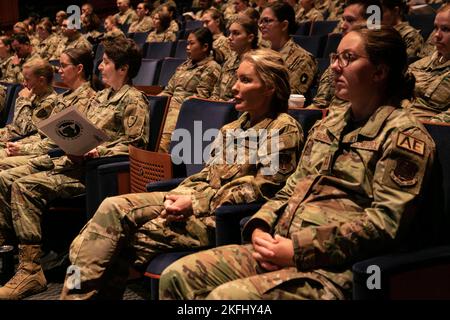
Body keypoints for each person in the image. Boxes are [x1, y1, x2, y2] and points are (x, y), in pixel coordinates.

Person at [159, 26, 436, 300]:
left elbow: (385, 224)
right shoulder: (329, 125)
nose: (335, 67)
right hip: (280, 245)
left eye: (348, 58)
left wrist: (299, 250)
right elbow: (291, 188)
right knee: (178, 277)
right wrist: (260, 226)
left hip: (334, 269)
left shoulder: (402, 136)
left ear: (379, 71)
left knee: (226, 299)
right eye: (335, 58)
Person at [61, 48, 305, 300]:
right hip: (191, 198)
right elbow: (208, 175)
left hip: (217, 217)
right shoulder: (233, 127)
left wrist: (195, 202)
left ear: (270, 88)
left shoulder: (283, 129)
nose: (234, 87)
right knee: (109, 211)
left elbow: (263, 190)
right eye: (236, 78)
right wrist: (176, 195)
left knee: (103, 243)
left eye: (245, 80)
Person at [0, 37, 149, 300]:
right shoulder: (101, 97)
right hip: (71, 162)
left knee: (24, 186)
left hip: (96, 172)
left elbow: (136, 146)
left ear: (123, 68)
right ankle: (9, 254)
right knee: (6, 177)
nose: (100, 67)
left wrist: (97, 151)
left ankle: (30, 269)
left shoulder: (134, 100)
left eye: (106, 62)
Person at [0, 48, 96, 169]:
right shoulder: (63, 96)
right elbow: (42, 134)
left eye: (63, 66)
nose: (59, 70)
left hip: (52, 155)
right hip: (30, 144)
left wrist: (23, 101)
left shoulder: (56, 100)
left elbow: (26, 130)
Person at [308, 0, 382, 110]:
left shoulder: (379, 62)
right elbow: (320, 104)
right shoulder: (339, 61)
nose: (342, 26)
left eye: (350, 20)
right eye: (343, 19)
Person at [157, 27, 221, 153]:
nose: (187, 47)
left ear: (205, 47)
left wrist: (175, 105)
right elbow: (169, 90)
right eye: (187, 43)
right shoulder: (185, 65)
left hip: (185, 111)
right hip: (169, 106)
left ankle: (159, 169)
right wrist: (153, 102)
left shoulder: (211, 67)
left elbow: (201, 98)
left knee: (161, 143)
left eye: (192, 43)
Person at [259, 2, 317, 96]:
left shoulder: (302, 59)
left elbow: (287, 96)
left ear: (284, 25)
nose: (261, 25)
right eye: (261, 21)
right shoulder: (262, 55)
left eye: (267, 21)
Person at [0, 58, 57, 151]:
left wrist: (23, 100)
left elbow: (26, 130)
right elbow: (16, 122)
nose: (24, 84)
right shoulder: (35, 94)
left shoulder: (49, 102)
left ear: (41, 81)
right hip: (7, 134)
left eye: (27, 80)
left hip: (16, 141)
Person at [406, 3, 450, 120]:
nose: (437, 35)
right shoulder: (420, 63)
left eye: (446, 29)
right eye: (436, 28)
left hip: (426, 130)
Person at [210, 15, 259, 101]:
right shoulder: (230, 60)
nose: (229, 37)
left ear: (250, 38)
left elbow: (250, 98)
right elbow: (216, 90)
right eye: (230, 33)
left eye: (236, 33)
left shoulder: (256, 63)